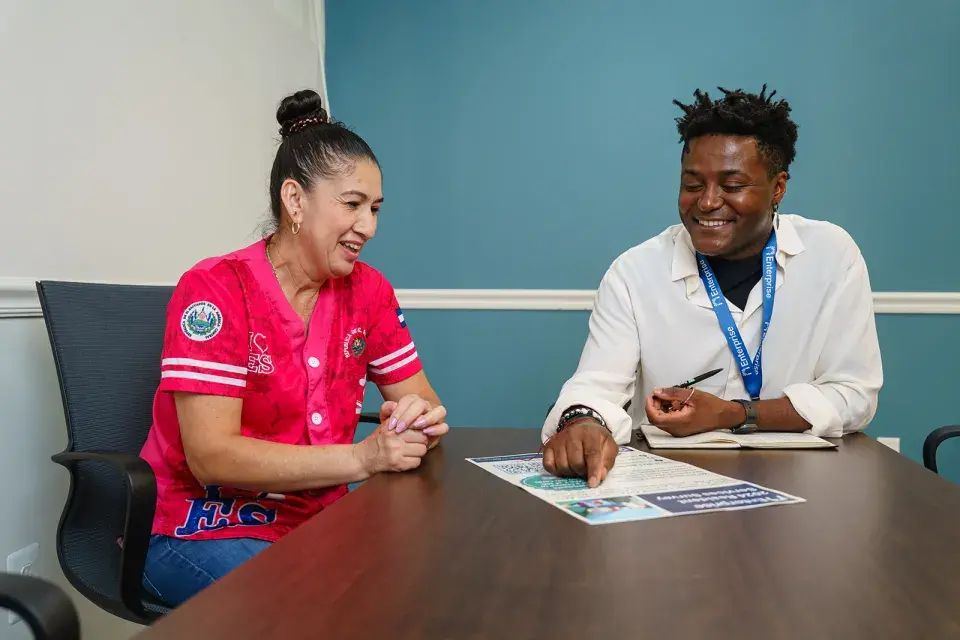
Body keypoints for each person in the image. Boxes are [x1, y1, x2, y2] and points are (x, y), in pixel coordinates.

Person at [139, 89, 448, 606]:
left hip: (316, 521)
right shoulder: (215, 288)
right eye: (352, 204)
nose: (368, 227)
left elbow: (428, 406)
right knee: (331, 605)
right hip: (200, 525)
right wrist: (363, 457)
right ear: (295, 200)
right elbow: (212, 457)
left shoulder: (369, 292)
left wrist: (417, 419)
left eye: (374, 209)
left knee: (424, 583)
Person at [541, 86, 882, 486]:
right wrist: (582, 420)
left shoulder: (831, 255)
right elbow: (596, 384)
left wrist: (732, 413)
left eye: (732, 185)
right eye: (692, 184)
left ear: (778, 188)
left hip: (802, 486)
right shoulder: (635, 271)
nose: (707, 202)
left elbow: (853, 396)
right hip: (670, 489)